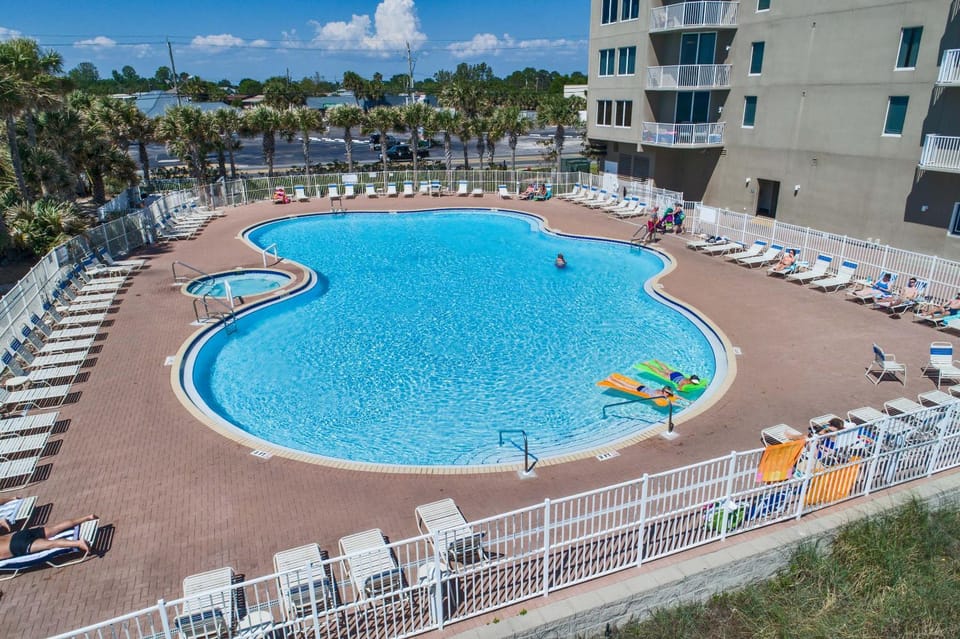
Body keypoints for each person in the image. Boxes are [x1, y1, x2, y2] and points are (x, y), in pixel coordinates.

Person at [0, 513, 96, 560]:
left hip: (17, 546)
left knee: (51, 544)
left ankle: (78, 543)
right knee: (55, 528)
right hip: (18, 535)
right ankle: (87, 517)